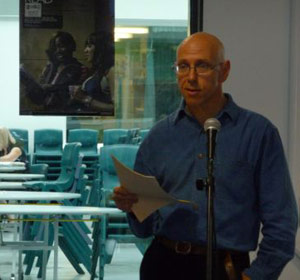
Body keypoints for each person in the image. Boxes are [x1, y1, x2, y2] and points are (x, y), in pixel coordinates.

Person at [112, 32, 298, 280]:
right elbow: (143, 229)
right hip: (164, 264)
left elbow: (282, 221)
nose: (190, 77)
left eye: (202, 66)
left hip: (228, 267)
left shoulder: (258, 133)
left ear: (224, 71)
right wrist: (132, 208)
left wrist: (259, 275)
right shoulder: (159, 137)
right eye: (183, 66)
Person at [21, 31, 84, 113]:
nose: (58, 51)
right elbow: (39, 97)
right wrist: (29, 85)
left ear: (71, 46)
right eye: (54, 48)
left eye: (61, 46)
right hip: (47, 111)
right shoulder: (51, 68)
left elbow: (72, 93)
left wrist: (51, 88)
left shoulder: (80, 69)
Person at [70, 31, 114, 115]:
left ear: (100, 48)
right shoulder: (97, 70)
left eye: (89, 46)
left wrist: (86, 99)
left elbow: (116, 108)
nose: (85, 50)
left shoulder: (111, 70)